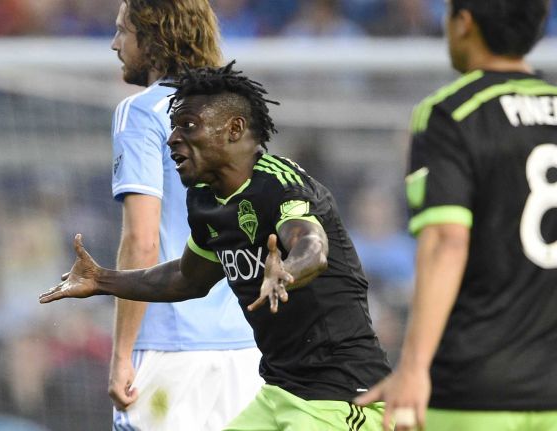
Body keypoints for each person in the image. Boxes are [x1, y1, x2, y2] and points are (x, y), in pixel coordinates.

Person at [41, 62, 392, 430]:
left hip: (342, 394)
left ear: (234, 129)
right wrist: (101, 280)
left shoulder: (280, 183)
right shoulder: (207, 200)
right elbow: (185, 278)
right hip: (280, 392)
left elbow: (312, 246)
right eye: (173, 126)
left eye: (188, 125)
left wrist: (286, 271)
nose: (172, 138)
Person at [354, 1, 557, 430]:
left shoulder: (452, 113)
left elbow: (447, 242)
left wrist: (413, 367)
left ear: (464, 23)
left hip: (475, 385)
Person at [106, 1, 261, 429]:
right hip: (244, 350)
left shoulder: (142, 112)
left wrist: (121, 354)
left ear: (153, 38)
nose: (115, 44)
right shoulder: (237, 111)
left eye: (123, 31)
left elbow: (142, 241)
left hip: (169, 347)